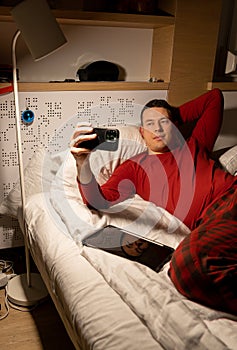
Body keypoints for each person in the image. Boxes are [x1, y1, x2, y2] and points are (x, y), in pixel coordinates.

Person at [70, 89, 237, 315]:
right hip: (212, 224)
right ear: (141, 132)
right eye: (150, 124)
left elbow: (213, 97)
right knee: (187, 266)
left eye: (164, 123)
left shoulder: (194, 143)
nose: (157, 128)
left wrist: (172, 118)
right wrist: (83, 163)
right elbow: (97, 201)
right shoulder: (134, 167)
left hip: (231, 197)